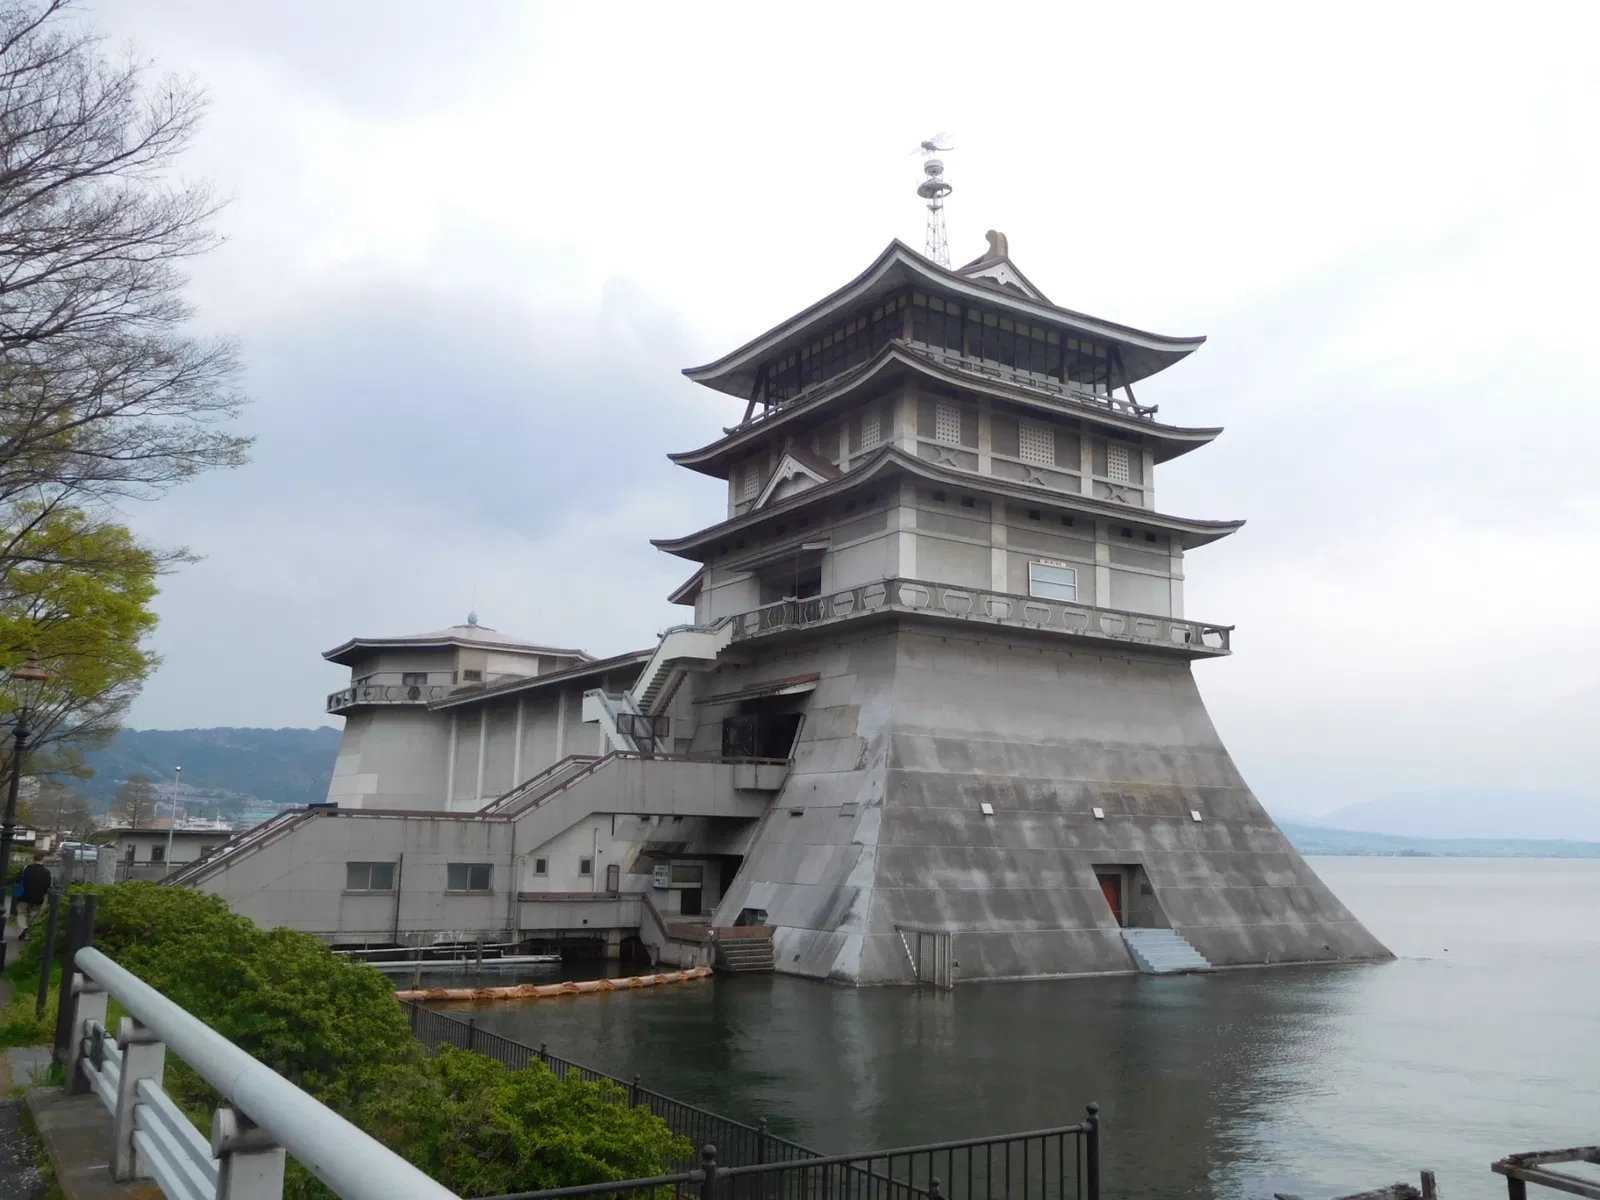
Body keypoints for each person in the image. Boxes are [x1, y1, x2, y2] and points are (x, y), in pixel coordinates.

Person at [16, 851, 51, 938]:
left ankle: (23, 927)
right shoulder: (46, 872)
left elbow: (20, 880)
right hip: (38, 897)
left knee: (21, 912)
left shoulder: (26, 868)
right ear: (42, 859)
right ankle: (30, 931)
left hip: (24, 896)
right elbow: (48, 884)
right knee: (34, 914)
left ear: (33, 859)